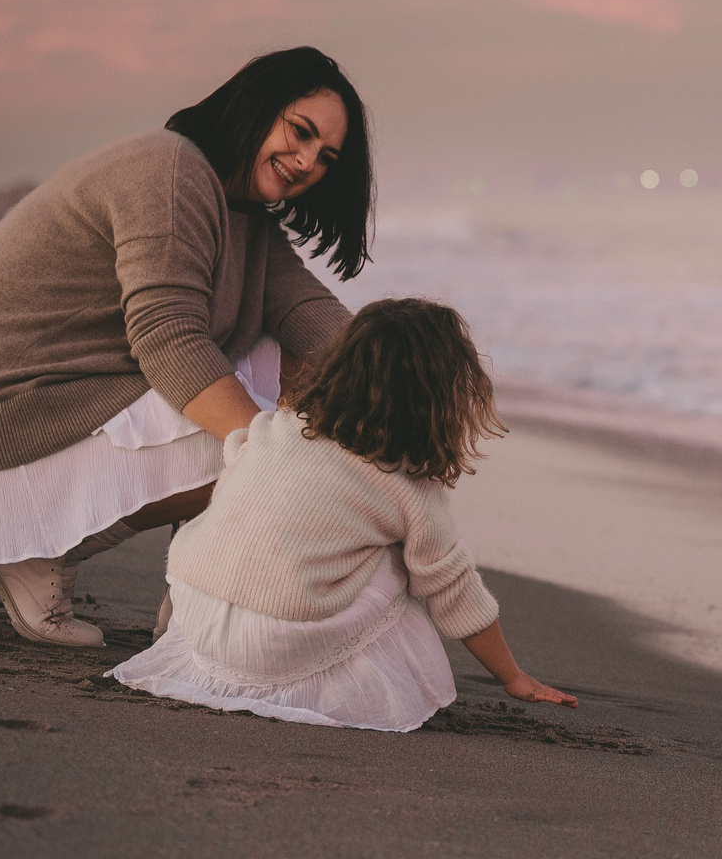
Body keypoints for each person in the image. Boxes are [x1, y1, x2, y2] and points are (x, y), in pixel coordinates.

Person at [0, 47, 373, 646]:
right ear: (257, 105)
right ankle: (35, 551)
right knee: (279, 443)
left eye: (326, 157)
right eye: (300, 132)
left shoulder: (244, 217)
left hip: (43, 406)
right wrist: (272, 459)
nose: (305, 161)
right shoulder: (171, 172)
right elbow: (167, 338)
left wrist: (419, 374)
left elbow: (311, 318)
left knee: (309, 385)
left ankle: (199, 588)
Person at [111, 298, 573, 729]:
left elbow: (233, 491)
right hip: (274, 644)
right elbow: (453, 590)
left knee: (234, 522)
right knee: (405, 564)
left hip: (197, 609)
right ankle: (342, 687)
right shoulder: (408, 485)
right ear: (438, 401)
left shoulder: (276, 428)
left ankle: (172, 634)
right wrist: (513, 677)